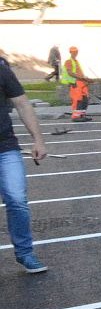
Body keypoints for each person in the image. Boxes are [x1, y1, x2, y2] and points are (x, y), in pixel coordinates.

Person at [0, 52, 48, 273]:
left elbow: (22, 104)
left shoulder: (2, 70)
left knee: (17, 200)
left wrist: (38, 140)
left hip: (5, 147)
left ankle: (25, 254)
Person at [62, 46, 90, 122]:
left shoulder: (76, 61)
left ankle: (82, 115)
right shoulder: (68, 61)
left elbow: (79, 73)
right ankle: (76, 116)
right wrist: (82, 78)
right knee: (78, 100)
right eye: (73, 52)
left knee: (85, 99)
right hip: (75, 83)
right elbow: (70, 73)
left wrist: (85, 79)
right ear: (70, 52)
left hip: (81, 83)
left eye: (76, 52)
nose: (75, 53)